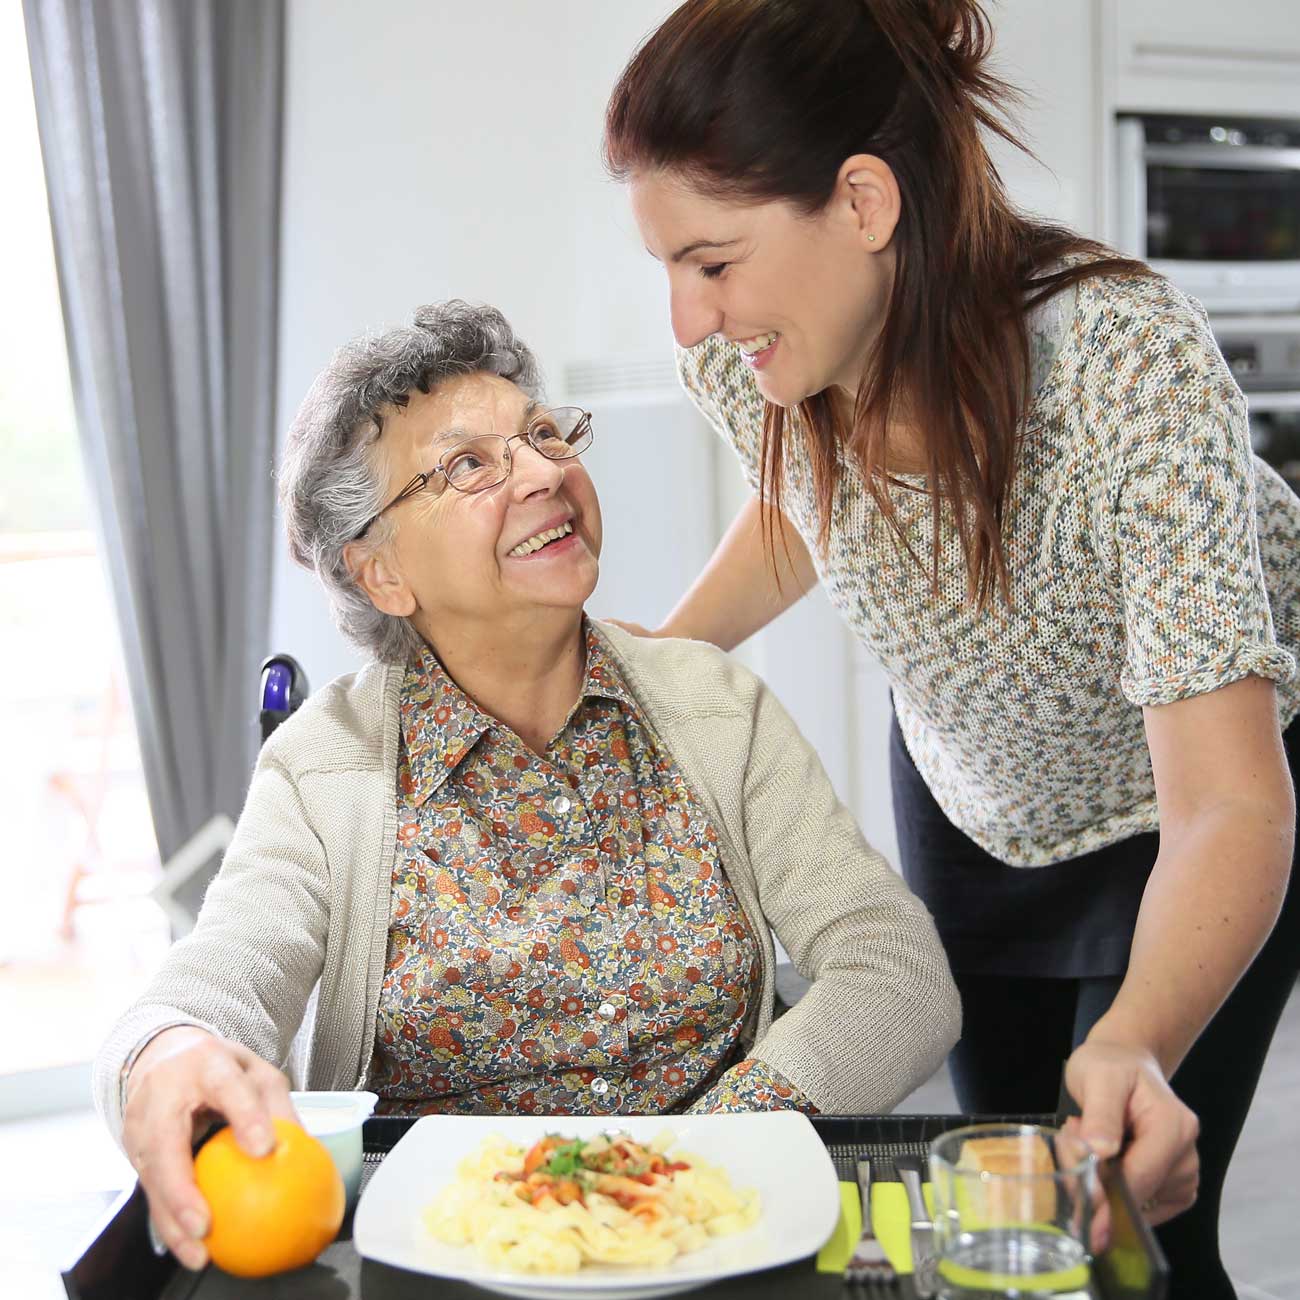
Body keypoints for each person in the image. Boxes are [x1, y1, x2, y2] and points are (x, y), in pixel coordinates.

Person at [602, 1, 1300, 1294]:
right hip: (973, 799)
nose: (689, 320)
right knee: (1012, 1222)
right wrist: (657, 661)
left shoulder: (1120, 359)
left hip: (1191, 804)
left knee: (1130, 1232)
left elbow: (1229, 799)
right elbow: (809, 505)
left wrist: (1139, 1041)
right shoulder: (754, 362)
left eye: (712, 262)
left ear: (863, 203)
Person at [94, 300, 960, 1272]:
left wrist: (698, 1151)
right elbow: (226, 971)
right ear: (379, 571)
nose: (547, 472)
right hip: (440, 1256)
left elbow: (896, 968)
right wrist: (166, 1053)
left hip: (713, 1232)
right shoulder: (322, 764)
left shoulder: (712, 705)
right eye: (468, 464)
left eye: (543, 435)